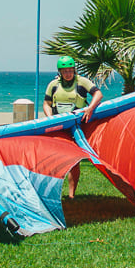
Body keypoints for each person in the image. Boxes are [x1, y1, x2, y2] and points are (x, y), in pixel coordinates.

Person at [43, 56, 103, 199]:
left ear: (74, 70)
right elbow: (46, 103)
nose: (68, 74)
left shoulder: (82, 82)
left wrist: (90, 109)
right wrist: (50, 117)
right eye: (65, 71)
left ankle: (71, 195)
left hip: (76, 127)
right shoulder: (54, 85)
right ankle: (52, 193)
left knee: (74, 161)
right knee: (55, 160)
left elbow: (98, 94)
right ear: (60, 72)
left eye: (70, 70)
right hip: (58, 127)